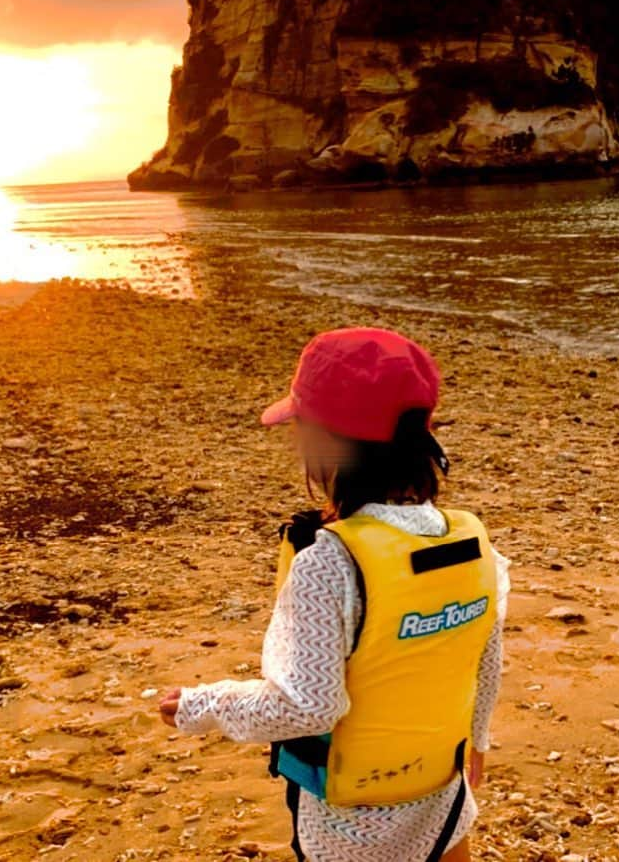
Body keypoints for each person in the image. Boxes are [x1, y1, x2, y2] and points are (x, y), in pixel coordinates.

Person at [160, 326, 511, 862]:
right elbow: (486, 659)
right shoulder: (473, 545)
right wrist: (478, 744)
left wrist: (203, 705)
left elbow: (309, 707)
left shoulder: (328, 563)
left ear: (324, 442)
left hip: (351, 820)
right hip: (442, 790)